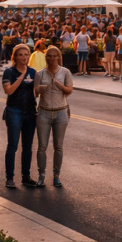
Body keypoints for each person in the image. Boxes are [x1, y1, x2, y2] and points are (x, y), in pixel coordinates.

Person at [32, 46, 73, 188]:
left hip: (61, 112)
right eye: (49, 56)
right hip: (44, 112)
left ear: (59, 57)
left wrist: (59, 85)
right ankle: (41, 175)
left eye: (55, 56)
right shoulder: (40, 74)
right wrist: (39, 89)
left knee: (59, 146)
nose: (52, 58)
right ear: (46, 57)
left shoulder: (65, 72)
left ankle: (56, 175)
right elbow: (35, 93)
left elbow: (69, 90)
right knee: (42, 146)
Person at [1, 44, 40, 188]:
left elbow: (36, 91)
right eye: (21, 54)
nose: (24, 57)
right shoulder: (9, 72)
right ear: (15, 57)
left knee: (28, 146)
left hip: (30, 112)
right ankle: (9, 177)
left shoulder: (33, 72)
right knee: (12, 146)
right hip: (14, 111)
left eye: (26, 54)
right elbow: (9, 91)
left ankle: (26, 176)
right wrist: (22, 77)